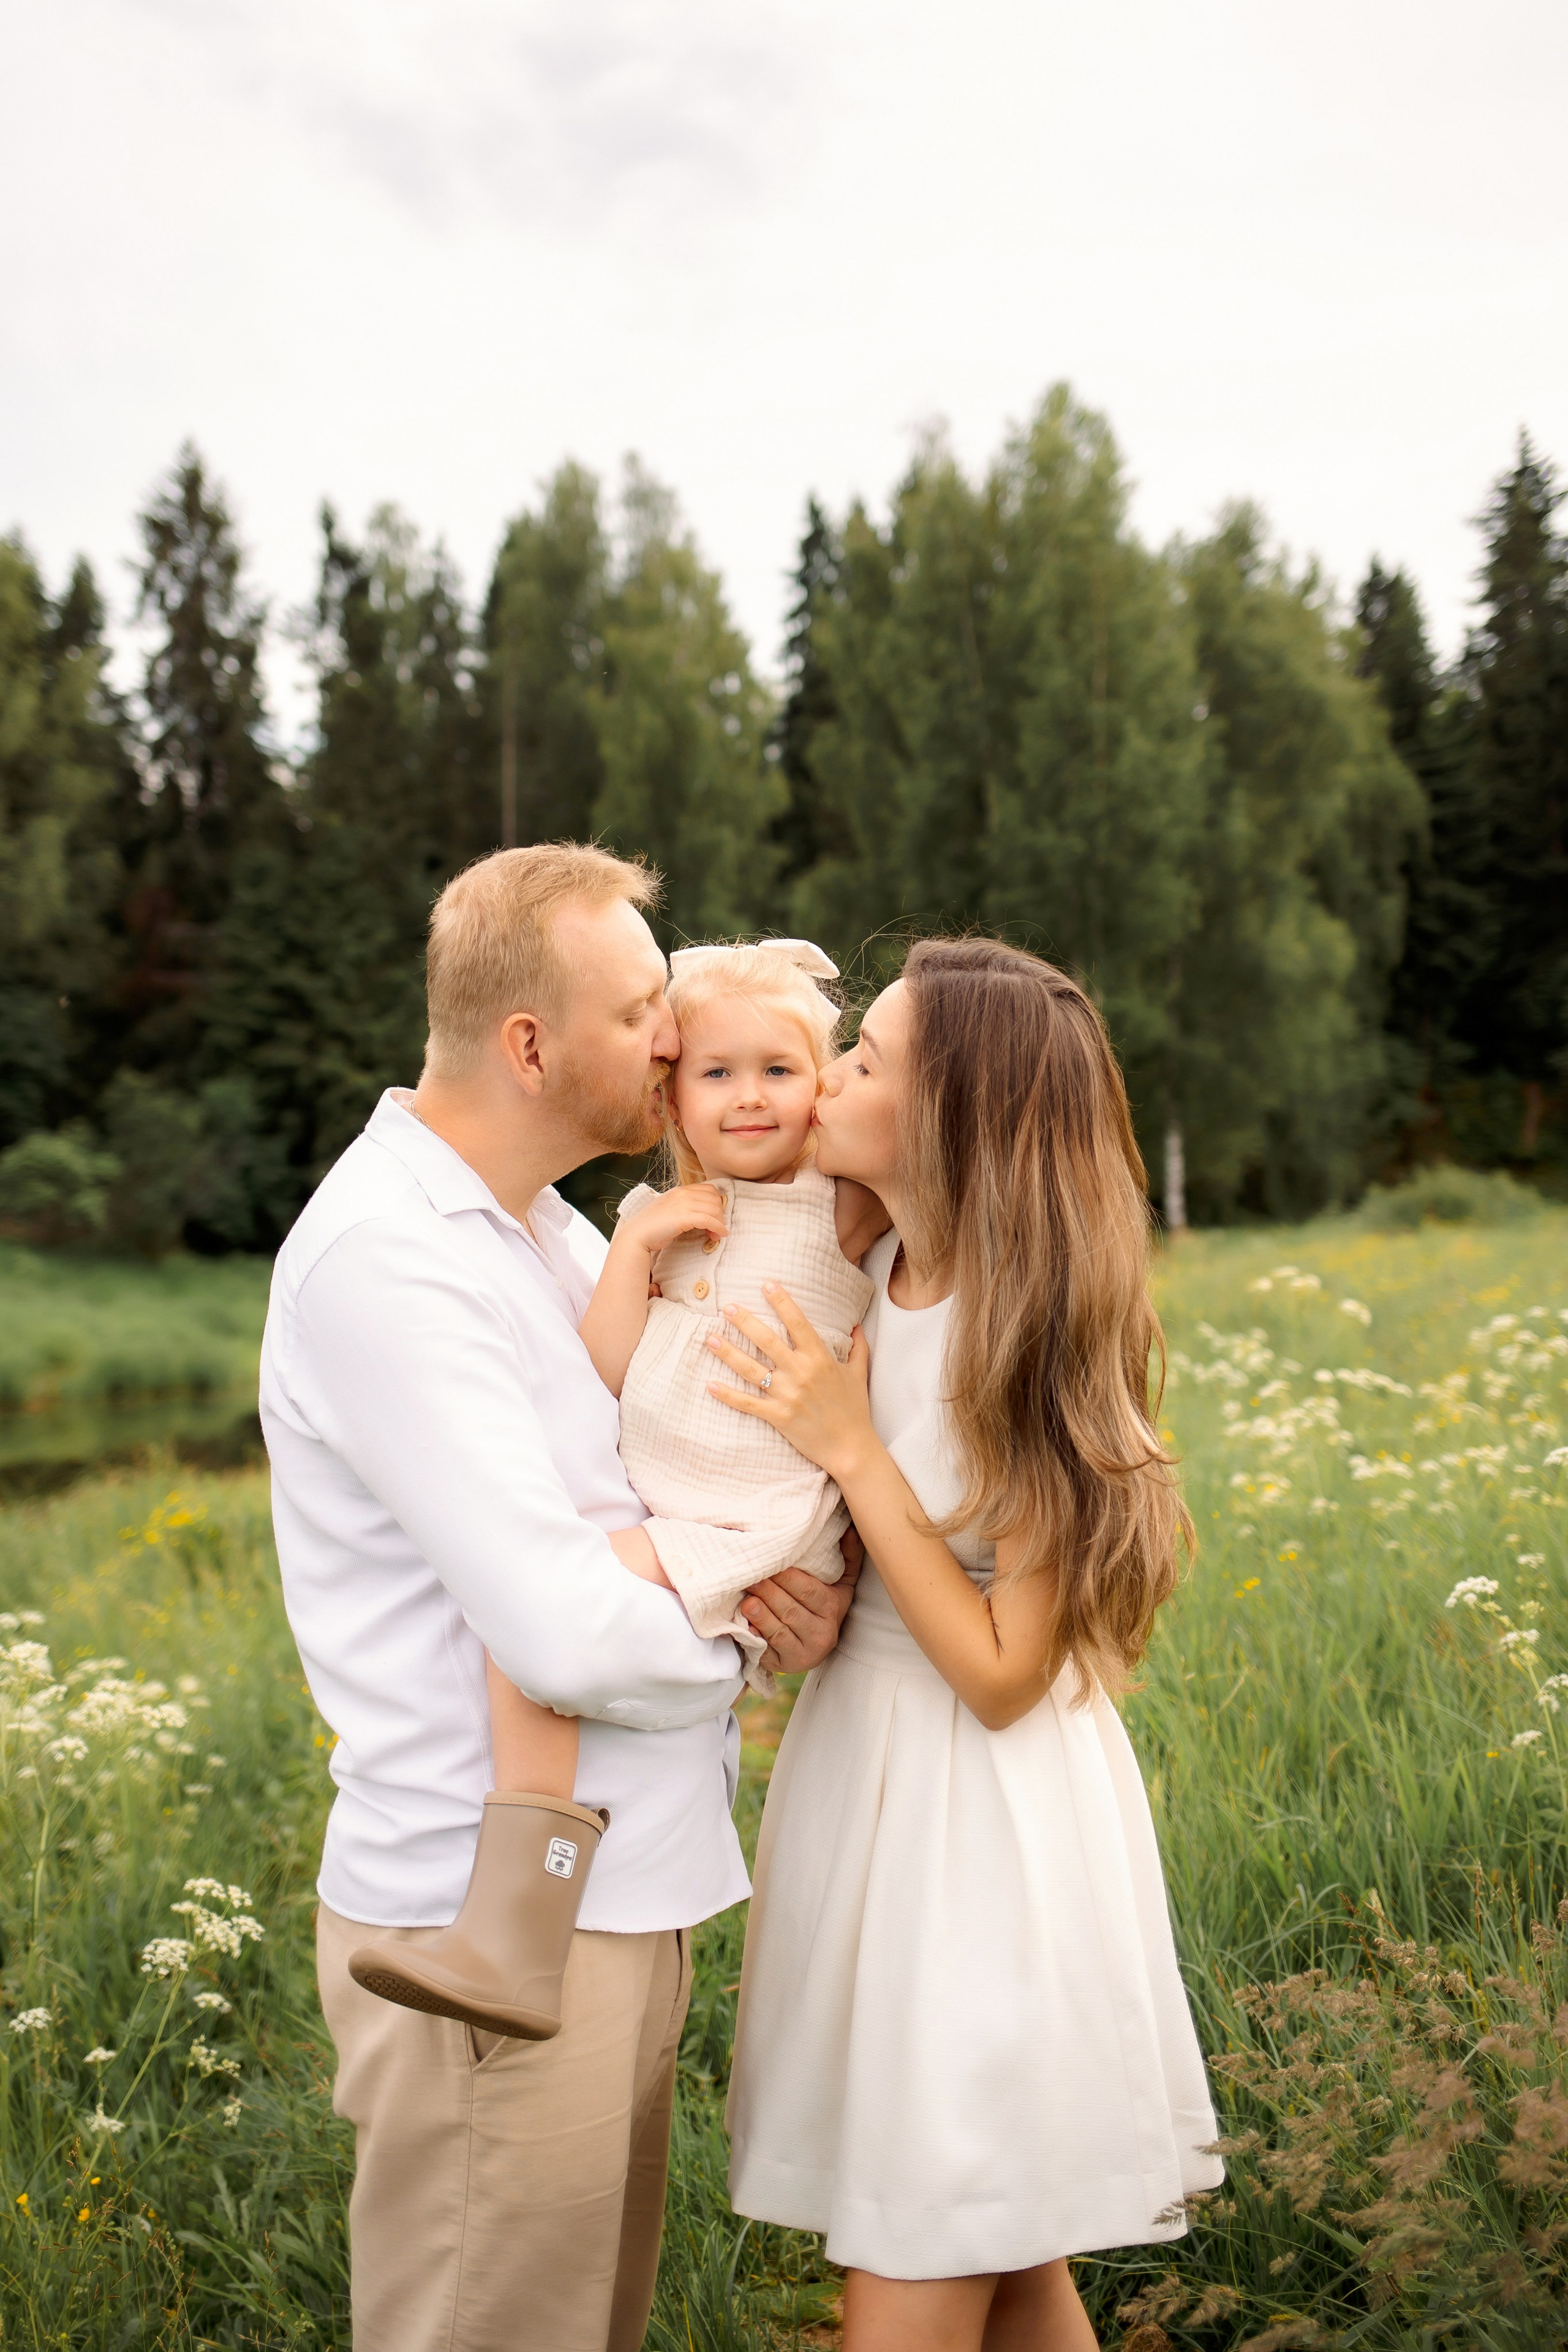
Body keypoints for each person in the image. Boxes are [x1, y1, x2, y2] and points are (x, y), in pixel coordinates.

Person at [258, 845, 856, 2352]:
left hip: (625, 1891)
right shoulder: (389, 1264)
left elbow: (666, 1500)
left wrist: (785, 1599)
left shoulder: (553, 1233)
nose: (674, 1038)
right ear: (529, 1044)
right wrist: (735, 1625)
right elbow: (565, 1631)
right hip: (497, 1924)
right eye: (643, 1005)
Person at [717, 938, 1223, 2352]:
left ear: (953, 1121)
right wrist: (810, 1598)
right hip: (869, 1782)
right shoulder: (870, 1261)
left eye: (866, 1057)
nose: (828, 1073)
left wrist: (848, 1455)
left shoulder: (1035, 1327)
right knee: (1004, 2265)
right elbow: (711, 1098)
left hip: (980, 1830)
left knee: (924, 2247)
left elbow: (1004, 1672)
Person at [353, 934, 881, 2040]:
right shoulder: (660, 1220)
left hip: (747, 1512)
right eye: (716, 1074)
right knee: (533, 1632)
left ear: (823, 1086)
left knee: (525, 1633)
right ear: (677, 1098)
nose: (748, 1099)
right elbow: (606, 1375)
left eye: (780, 1073)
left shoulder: (844, 1205)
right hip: (684, 1504)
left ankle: (510, 1929)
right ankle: (516, 1919)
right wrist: (640, 1242)